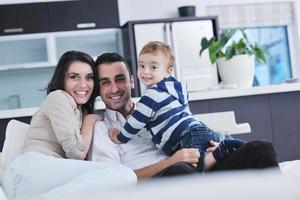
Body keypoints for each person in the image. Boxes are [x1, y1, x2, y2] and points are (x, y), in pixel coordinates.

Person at [91, 52, 279, 180]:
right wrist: (172, 162)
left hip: (198, 165)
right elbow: (114, 182)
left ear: (132, 81)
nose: (114, 88)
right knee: (180, 171)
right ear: (99, 89)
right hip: (164, 180)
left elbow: (189, 126)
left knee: (261, 148)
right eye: (105, 82)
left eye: (120, 79)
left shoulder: (157, 104)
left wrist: (213, 145)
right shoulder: (101, 128)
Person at [2, 51, 136, 200]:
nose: (83, 84)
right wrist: (91, 120)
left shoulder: (79, 110)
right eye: (74, 77)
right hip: (28, 171)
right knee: (123, 174)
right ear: (62, 79)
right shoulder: (58, 97)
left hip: (35, 182)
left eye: (89, 77)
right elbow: (76, 152)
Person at [107, 41, 246, 172]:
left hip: (184, 137)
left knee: (195, 169)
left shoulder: (151, 95)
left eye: (153, 67)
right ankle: (240, 146)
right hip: (198, 128)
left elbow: (135, 124)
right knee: (235, 152)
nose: (145, 72)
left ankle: (224, 148)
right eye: (141, 66)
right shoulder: (174, 89)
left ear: (168, 71)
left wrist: (119, 137)